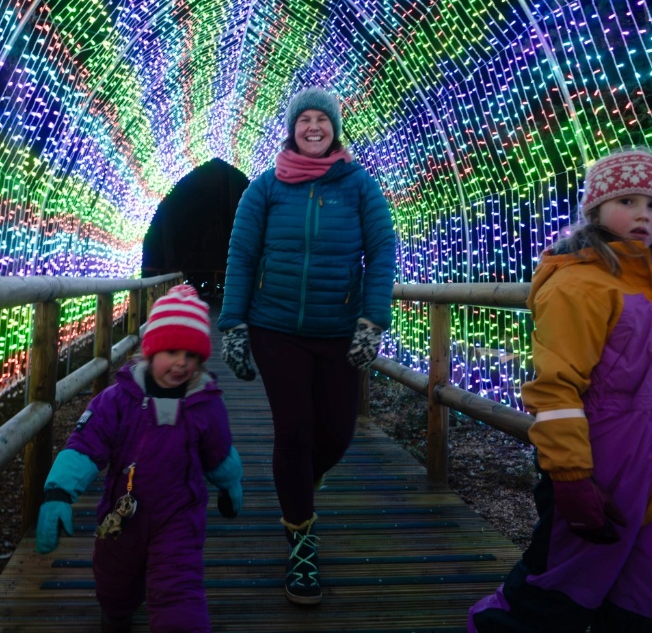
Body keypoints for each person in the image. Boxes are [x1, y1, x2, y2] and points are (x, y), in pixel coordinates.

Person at [468, 148, 652, 632]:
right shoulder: (579, 285)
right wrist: (571, 479)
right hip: (598, 472)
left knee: (646, 604)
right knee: (557, 591)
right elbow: (555, 388)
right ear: (594, 212)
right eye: (628, 201)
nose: (644, 214)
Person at [218, 86, 397, 606]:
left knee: (337, 433)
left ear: (334, 128)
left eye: (323, 119)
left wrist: (372, 319)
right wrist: (233, 325)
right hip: (276, 329)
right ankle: (301, 540)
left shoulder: (359, 185)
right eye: (305, 120)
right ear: (292, 129)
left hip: (338, 329)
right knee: (293, 431)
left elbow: (382, 248)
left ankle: (297, 483)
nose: (314, 127)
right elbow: (242, 253)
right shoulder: (265, 188)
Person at [35, 284, 244, 633]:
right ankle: (117, 613)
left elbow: (219, 452)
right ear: (150, 351)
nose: (181, 363)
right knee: (115, 580)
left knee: (179, 593)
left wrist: (230, 483)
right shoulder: (118, 400)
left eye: (191, 355)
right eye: (172, 351)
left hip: (180, 516)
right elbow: (87, 443)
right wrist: (58, 492)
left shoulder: (205, 405)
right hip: (123, 514)